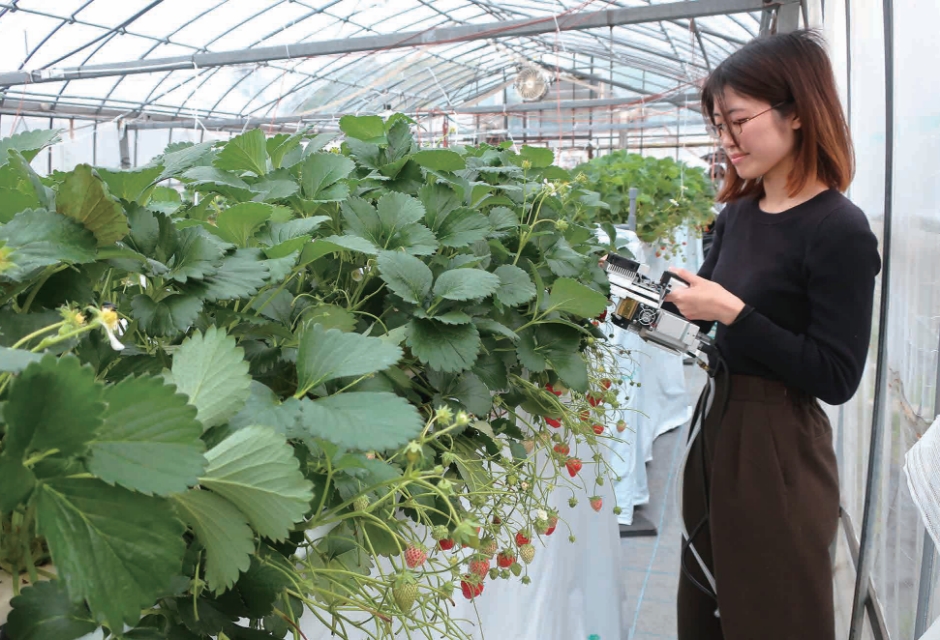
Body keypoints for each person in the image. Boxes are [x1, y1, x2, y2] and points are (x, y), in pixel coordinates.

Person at [659, 30, 881, 640]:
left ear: (799, 113)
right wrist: (660, 302)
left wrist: (736, 314)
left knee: (773, 611)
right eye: (717, 125)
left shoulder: (838, 228)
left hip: (780, 445)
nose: (725, 142)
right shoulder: (738, 213)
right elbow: (706, 312)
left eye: (737, 121)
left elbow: (835, 377)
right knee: (707, 602)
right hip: (717, 426)